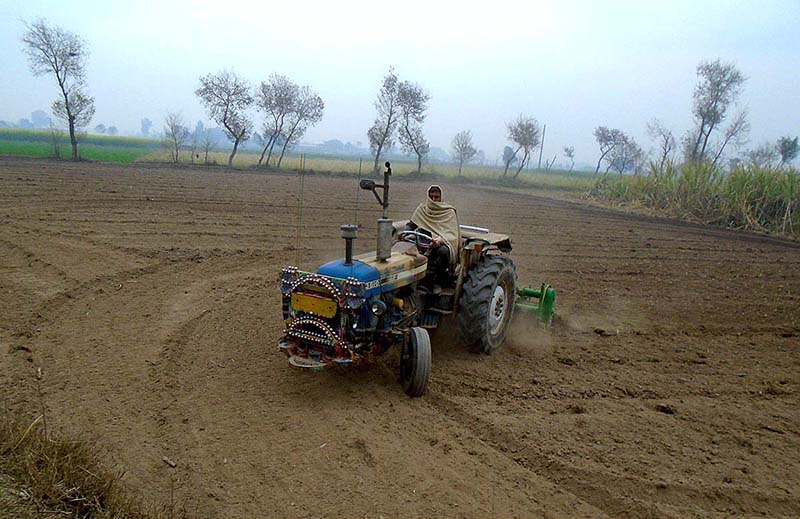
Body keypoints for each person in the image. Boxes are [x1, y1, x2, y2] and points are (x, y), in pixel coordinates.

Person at [404, 185, 461, 284]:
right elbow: (411, 225)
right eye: (431, 197)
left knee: (443, 251)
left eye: (436, 197)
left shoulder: (448, 212)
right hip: (423, 241)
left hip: (440, 243)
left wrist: (440, 240)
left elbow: (452, 234)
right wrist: (406, 232)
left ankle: (440, 278)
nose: (433, 200)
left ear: (441, 197)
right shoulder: (422, 209)